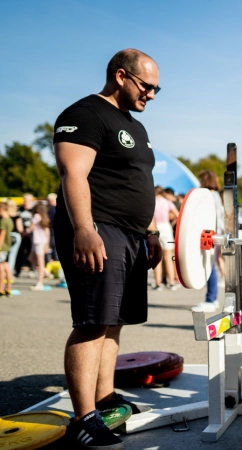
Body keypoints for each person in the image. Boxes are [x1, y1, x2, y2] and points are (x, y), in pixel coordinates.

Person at [52, 48, 162, 449]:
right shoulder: (84, 114)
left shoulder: (135, 125)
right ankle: (83, 418)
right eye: (146, 86)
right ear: (121, 76)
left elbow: (139, 182)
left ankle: (106, 398)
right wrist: (84, 229)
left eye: (156, 88)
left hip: (132, 235)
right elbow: (73, 173)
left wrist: (152, 234)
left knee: (115, 321)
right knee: (93, 321)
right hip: (99, 229)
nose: (151, 94)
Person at [192, 170, 225, 312]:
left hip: (210, 235)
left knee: (209, 266)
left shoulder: (208, 195)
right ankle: (213, 298)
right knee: (211, 265)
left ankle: (211, 299)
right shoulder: (216, 195)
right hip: (216, 233)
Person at [152, 186, 178, 291]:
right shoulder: (167, 202)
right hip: (166, 227)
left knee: (156, 257)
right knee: (168, 256)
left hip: (155, 227)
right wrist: (172, 224)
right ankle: (171, 282)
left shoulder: (152, 201)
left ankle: (158, 283)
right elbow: (177, 214)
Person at [28, 203, 51, 291]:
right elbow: (47, 232)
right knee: (31, 258)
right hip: (40, 241)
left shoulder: (37, 216)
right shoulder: (44, 217)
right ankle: (46, 273)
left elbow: (30, 227)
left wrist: (27, 230)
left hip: (38, 242)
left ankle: (40, 282)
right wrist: (47, 244)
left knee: (40, 263)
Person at [0, 202, 13, 296]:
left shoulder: (3, 221)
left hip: (2, 247)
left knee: (0, 270)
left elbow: (2, 235)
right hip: (7, 247)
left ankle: (0, 289)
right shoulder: (9, 220)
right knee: (7, 268)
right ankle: (8, 288)